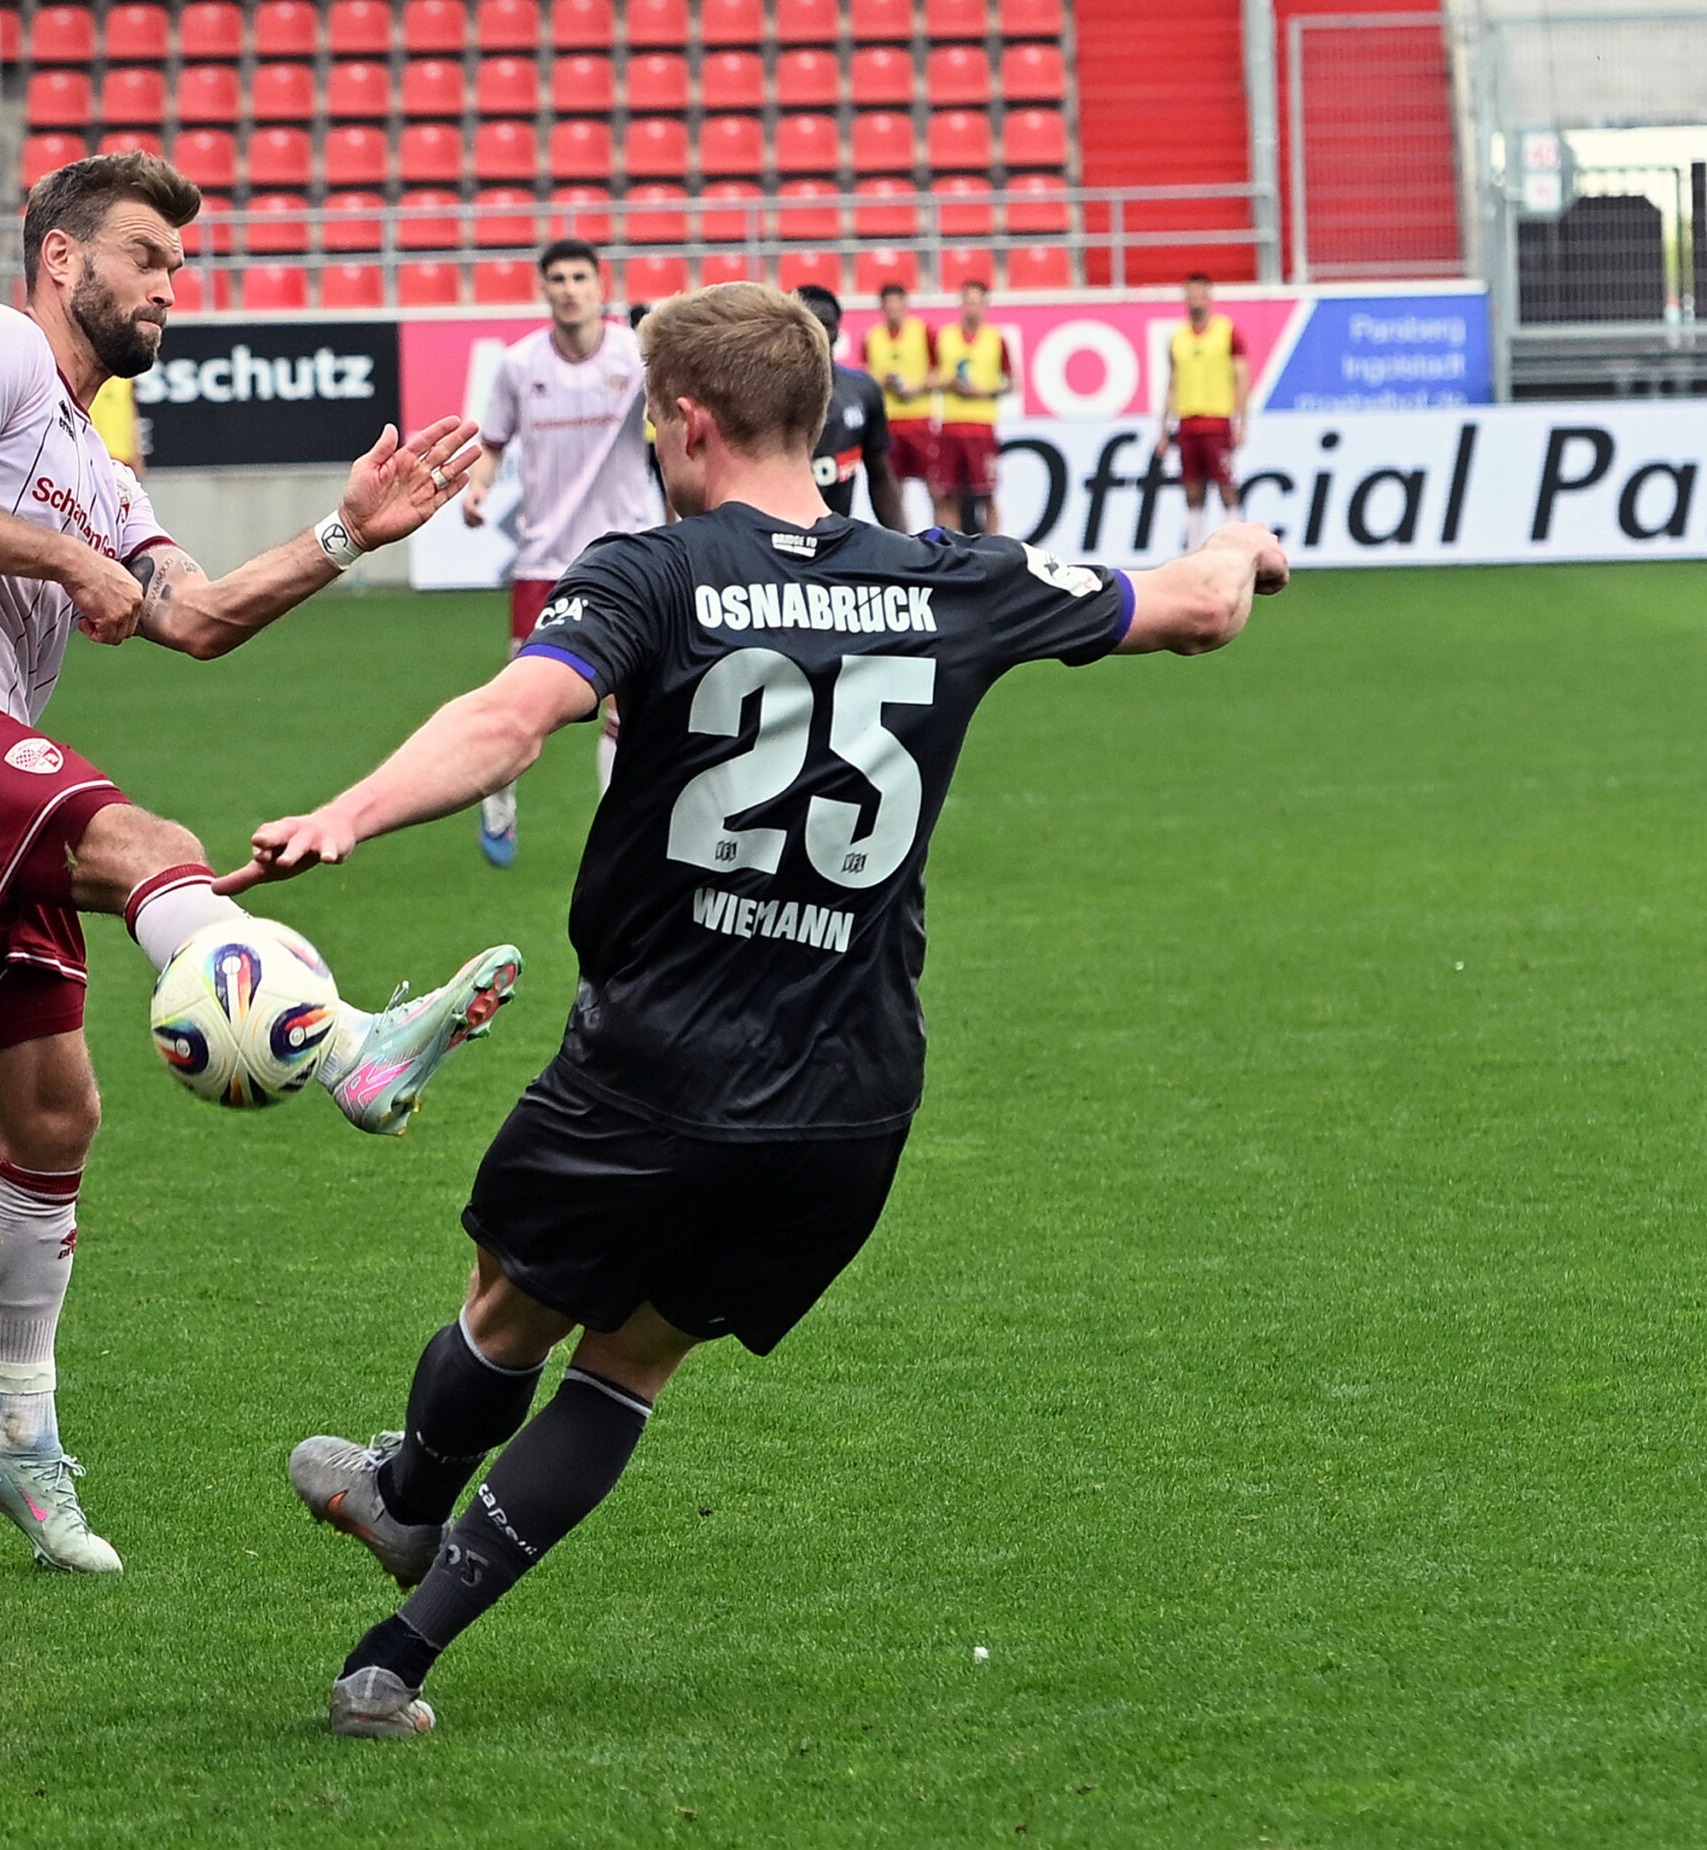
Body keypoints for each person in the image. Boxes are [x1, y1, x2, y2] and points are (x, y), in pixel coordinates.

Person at [215, 282, 1289, 1738]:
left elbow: (512, 717)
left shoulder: (652, 571)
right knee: (632, 1365)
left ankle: (408, 1491)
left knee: (510, 1306)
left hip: (650, 1064)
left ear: (687, 421)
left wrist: (348, 812)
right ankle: (390, 1660)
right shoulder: (949, 573)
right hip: (849, 1095)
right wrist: (1239, 542)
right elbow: (1202, 608)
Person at [0, 152, 523, 1577]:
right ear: (61, 258)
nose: (170, 288)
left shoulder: (97, 464)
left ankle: (11, 1437)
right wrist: (63, 561)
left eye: (180, 268)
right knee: (155, 846)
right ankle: (349, 1048)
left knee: (53, 1118)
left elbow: (194, 615)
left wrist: (345, 534)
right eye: (147, 256)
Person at [457, 238, 662, 867]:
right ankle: (498, 797)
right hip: (545, 560)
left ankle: (618, 836)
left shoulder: (636, 355)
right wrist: (479, 489)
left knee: (628, 702)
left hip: (627, 555)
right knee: (523, 703)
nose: (570, 289)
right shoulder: (519, 365)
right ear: (542, 288)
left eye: (580, 277)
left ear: (600, 285)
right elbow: (493, 442)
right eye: (558, 279)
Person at [791, 284, 904, 529]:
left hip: (838, 537)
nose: (819, 333)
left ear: (838, 332)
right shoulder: (764, 395)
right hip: (780, 538)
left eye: (826, 324)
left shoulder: (863, 391)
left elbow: (880, 475)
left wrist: (904, 540)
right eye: (810, 324)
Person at [1157, 272, 1248, 550]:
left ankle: (1236, 545)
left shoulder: (1227, 332)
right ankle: (1194, 549)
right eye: (1190, 294)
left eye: (1200, 294)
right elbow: (1172, 384)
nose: (1195, 300)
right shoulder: (1178, 338)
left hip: (1217, 420)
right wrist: (1164, 430)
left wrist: (1241, 421)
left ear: (1209, 297)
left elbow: (1241, 378)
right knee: (1192, 490)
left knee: (1225, 485)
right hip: (1187, 422)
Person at [930, 280, 1013, 534]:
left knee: (987, 493)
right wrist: (950, 383)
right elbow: (931, 376)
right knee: (948, 494)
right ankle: (947, 548)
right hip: (951, 424)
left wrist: (982, 391)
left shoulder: (996, 339)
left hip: (981, 425)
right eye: (968, 302)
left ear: (985, 305)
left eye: (977, 302)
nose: (972, 308)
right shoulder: (945, 337)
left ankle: (993, 549)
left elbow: (1010, 383)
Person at [859, 282, 936, 526]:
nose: (893, 311)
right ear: (882, 308)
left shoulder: (923, 332)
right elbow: (864, 376)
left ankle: (941, 538)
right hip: (889, 421)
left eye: (897, 306)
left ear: (905, 305)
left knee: (935, 487)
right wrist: (882, 382)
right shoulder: (872, 337)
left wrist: (915, 386)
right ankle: (902, 538)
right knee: (894, 488)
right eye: (889, 307)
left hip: (920, 419)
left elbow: (940, 373)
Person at [90, 371, 145, 478]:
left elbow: (133, 417)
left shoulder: (127, 379)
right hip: (92, 456)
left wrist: (137, 455)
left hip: (121, 457)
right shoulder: (87, 377)